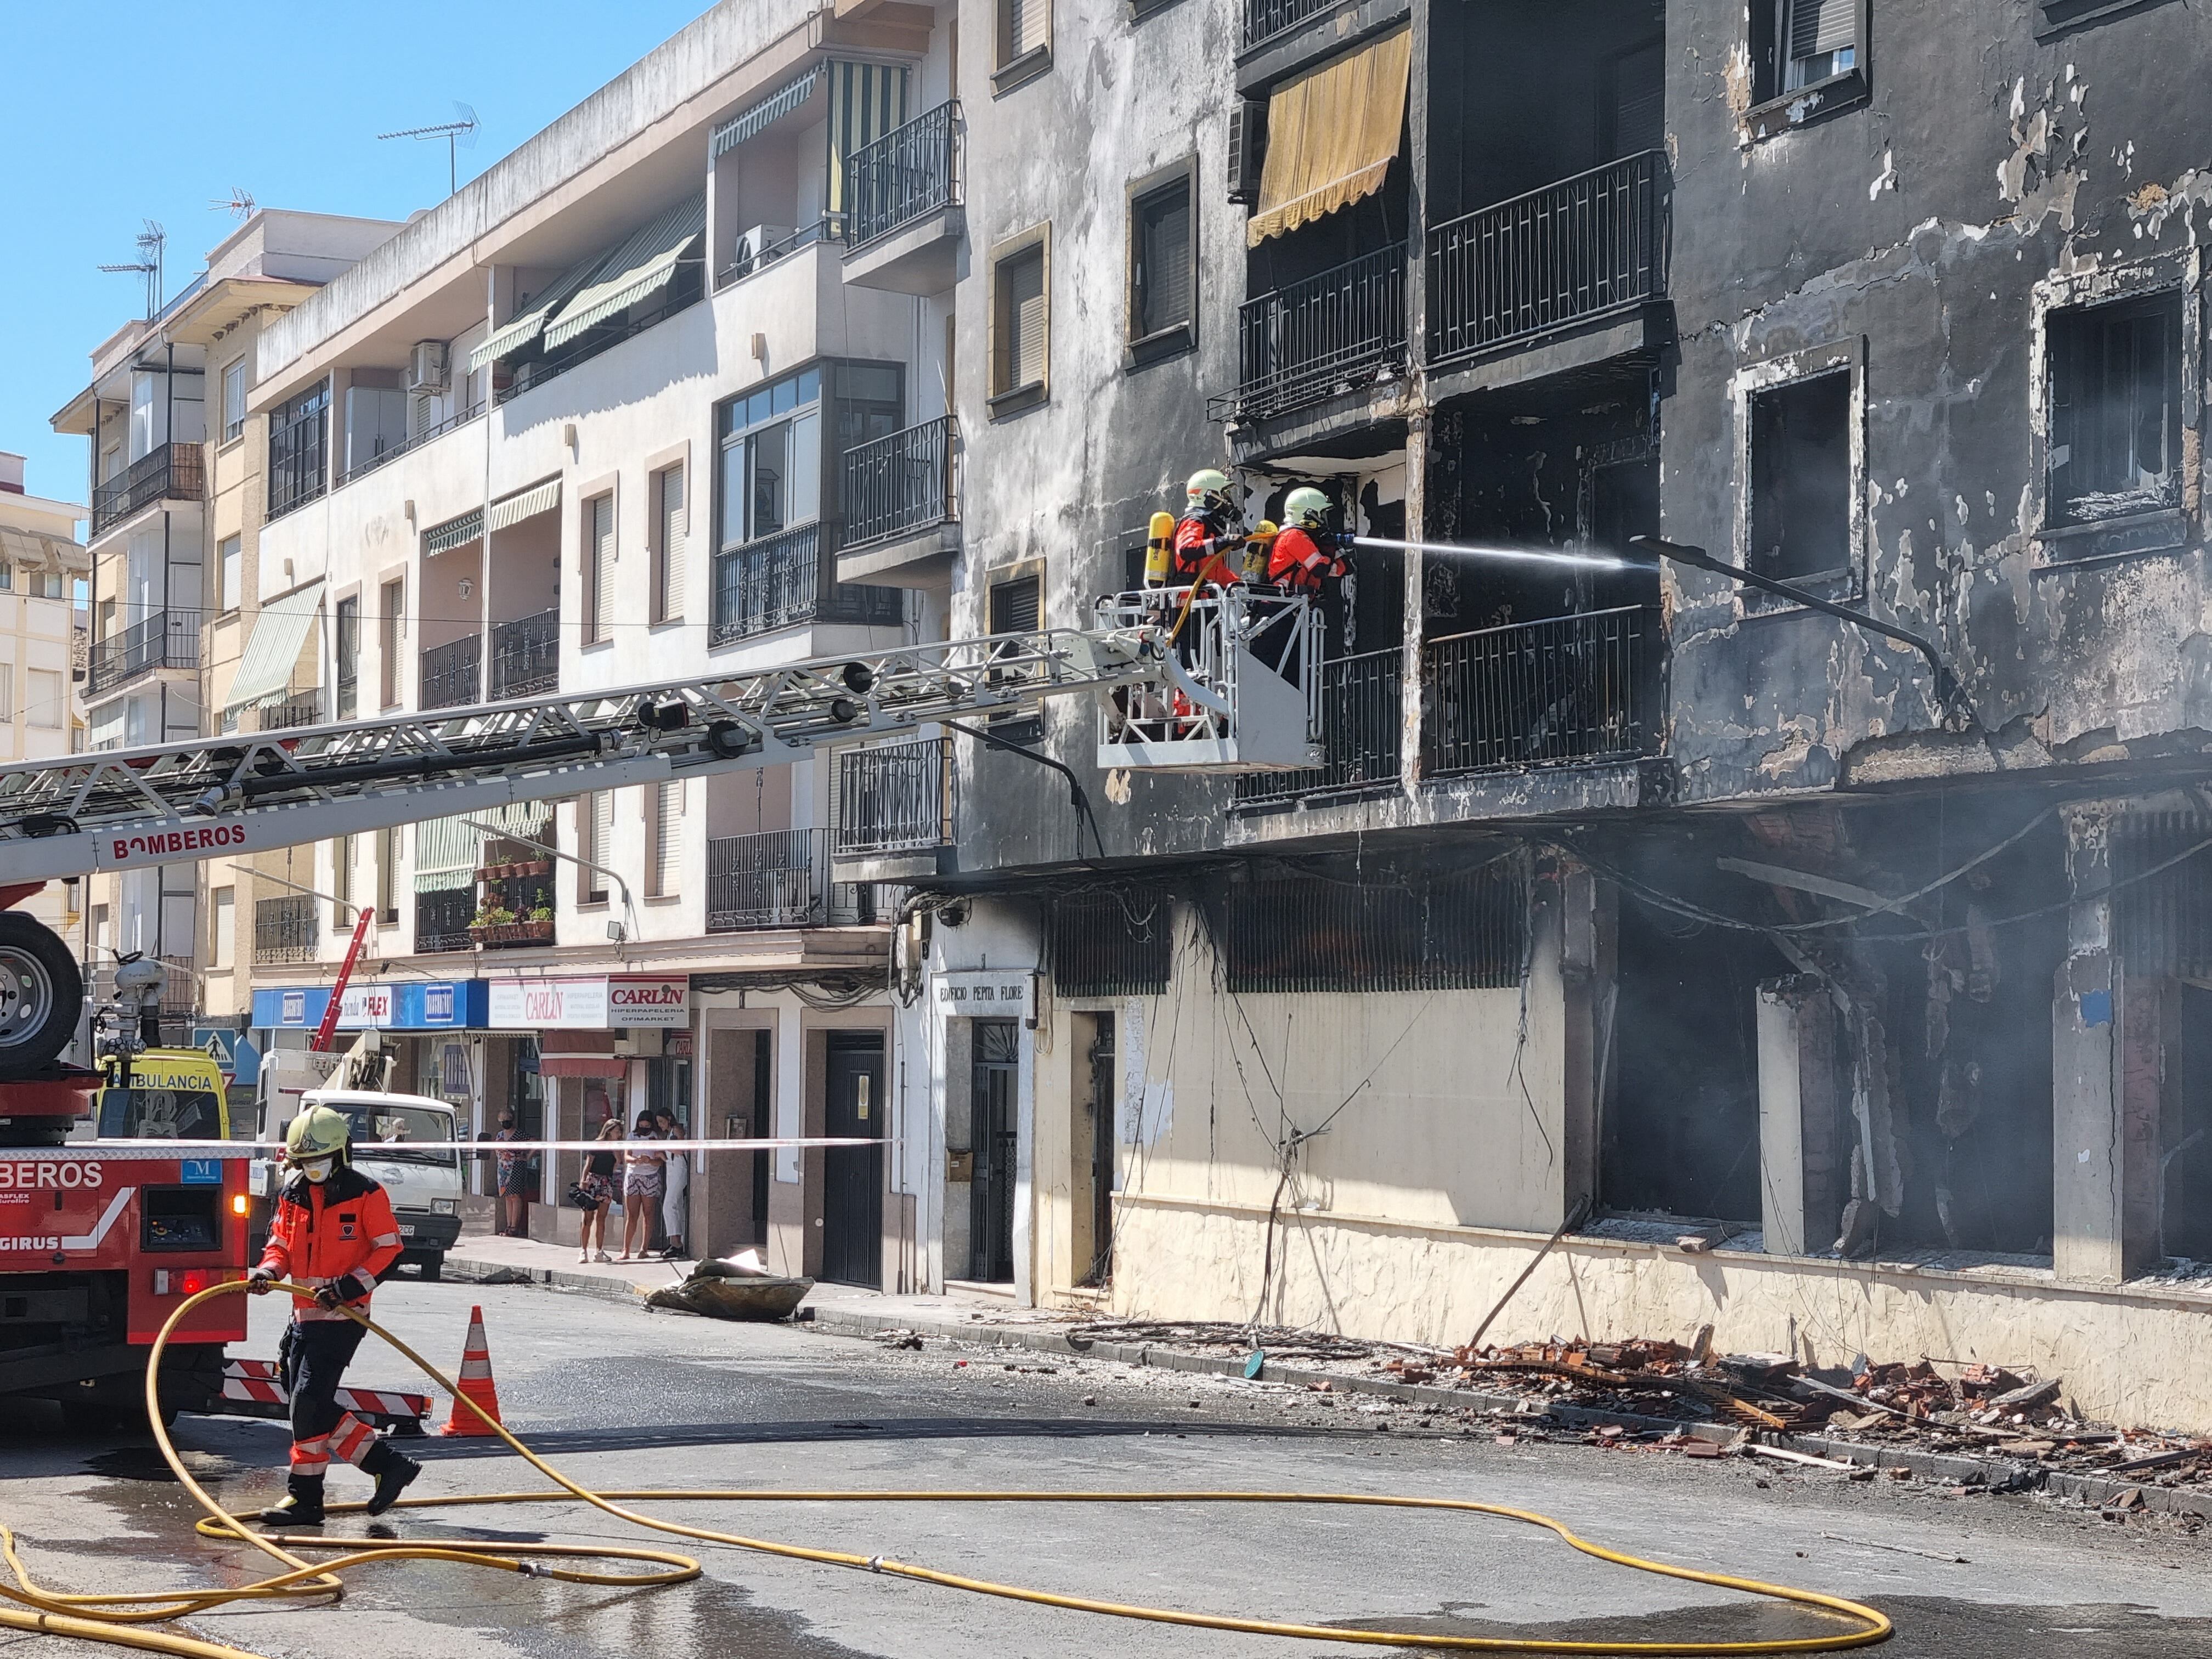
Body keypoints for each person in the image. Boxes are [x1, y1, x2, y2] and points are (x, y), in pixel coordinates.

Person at [247, 1105, 421, 1527]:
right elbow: (280, 1246)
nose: (313, 1168)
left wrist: (346, 1289)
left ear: (341, 1153)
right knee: (306, 1404)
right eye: (305, 1161)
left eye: (320, 1159)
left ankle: (306, 1500)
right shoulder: (292, 1194)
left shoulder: (365, 1194)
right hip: (304, 1318)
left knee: (307, 1402)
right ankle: (387, 1465)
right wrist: (268, 1272)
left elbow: (389, 1250)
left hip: (344, 1318)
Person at [1260, 486, 1352, 680]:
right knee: (1280, 671)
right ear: (1308, 514)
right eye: (1321, 514)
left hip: (1293, 611)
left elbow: (1345, 569)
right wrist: (1329, 549)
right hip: (1279, 610)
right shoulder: (1294, 536)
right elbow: (1320, 569)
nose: (1324, 520)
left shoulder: (1308, 541)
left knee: (1294, 672)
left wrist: (1333, 548)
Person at [617, 1110, 664, 1262]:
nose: (644, 1128)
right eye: (641, 1126)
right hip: (633, 1175)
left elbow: (661, 1161)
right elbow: (626, 1156)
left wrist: (649, 1161)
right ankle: (626, 1250)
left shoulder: (656, 1137)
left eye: (647, 1126)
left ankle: (644, 1248)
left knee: (648, 1213)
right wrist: (635, 1160)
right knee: (632, 1214)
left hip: (650, 1176)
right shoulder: (632, 1136)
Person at [577, 1118, 621, 1265]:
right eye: (617, 1131)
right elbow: (588, 1164)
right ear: (609, 1131)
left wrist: (615, 1148)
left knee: (602, 1218)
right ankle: (583, 1250)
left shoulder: (616, 1147)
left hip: (606, 1182)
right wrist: (583, 1180)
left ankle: (599, 1251)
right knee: (587, 1218)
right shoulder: (597, 1144)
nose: (619, 1134)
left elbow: (618, 1162)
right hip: (593, 1181)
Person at [655, 1108, 690, 1262]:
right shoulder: (668, 1134)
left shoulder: (676, 1130)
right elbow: (671, 1156)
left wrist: (663, 1145)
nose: (660, 1125)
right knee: (675, 1205)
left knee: (668, 1206)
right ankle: (674, 1242)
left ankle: (677, 1243)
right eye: (658, 1122)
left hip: (679, 1170)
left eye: (662, 1121)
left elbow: (680, 1150)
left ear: (669, 1119)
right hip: (671, 1169)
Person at [493, 1113, 529, 1238]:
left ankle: (514, 1227)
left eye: (507, 1120)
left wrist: (526, 1157)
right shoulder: (500, 1135)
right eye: (503, 1120)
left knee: (515, 1196)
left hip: (516, 1167)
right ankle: (508, 1226)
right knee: (507, 1196)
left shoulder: (519, 1134)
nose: (505, 1122)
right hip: (503, 1169)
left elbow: (534, 1143)